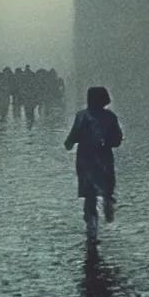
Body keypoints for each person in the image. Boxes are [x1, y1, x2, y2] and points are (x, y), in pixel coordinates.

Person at [64, 87, 123, 243]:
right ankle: (108, 203)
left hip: (85, 159)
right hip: (104, 158)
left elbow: (73, 136)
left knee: (89, 194)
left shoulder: (82, 116)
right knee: (107, 186)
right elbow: (117, 139)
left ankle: (91, 224)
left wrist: (69, 143)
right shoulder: (110, 117)